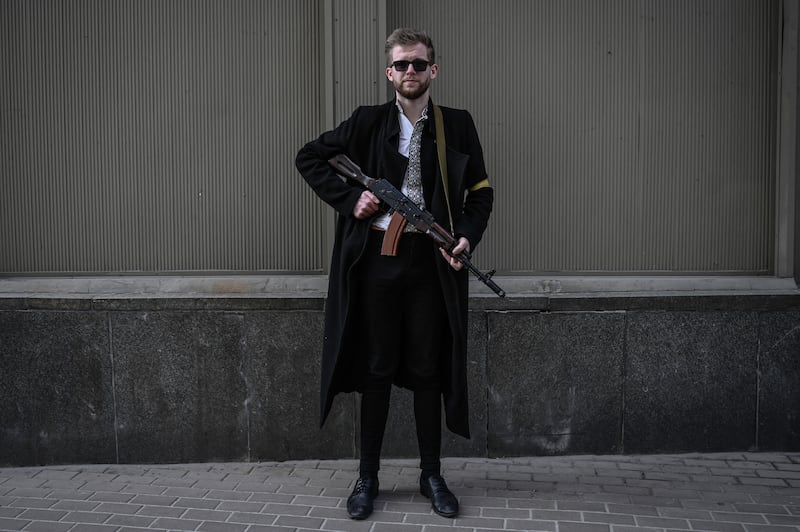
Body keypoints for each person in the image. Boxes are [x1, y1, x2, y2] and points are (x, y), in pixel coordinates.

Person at [295, 27, 494, 520]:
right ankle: (368, 477)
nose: (411, 72)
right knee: (377, 369)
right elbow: (309, 157)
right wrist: (351, 198)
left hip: (431, 266)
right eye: (402, 64)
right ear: (389, 73)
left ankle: (431, 475)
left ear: (433, 71)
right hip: (378, 265)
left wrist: (465, 237)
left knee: (428, 370)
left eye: (419, 64)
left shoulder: (457, 125)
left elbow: (481, 194)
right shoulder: (366, 122)